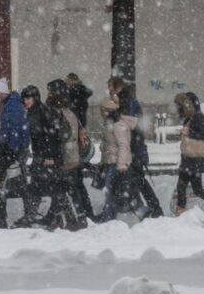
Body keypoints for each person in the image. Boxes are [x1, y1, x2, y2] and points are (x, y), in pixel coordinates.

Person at [18, 85, 75, 229]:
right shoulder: (33, 112)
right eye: (24, 99)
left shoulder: (42, 112)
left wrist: (52, 156)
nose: (26, 101)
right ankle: (61, 218)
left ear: (35, 98)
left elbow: (52, 136)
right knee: (42, 187)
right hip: (41, 156)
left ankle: (61, 219)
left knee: (53, 187)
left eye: (29, 98)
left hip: (49, 157)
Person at [107, 76, 163, 218]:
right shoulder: (126, 100)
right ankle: (149, 209)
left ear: (118, 87)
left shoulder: (127, 102)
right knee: (137, 181)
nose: (109, 90)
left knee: (138, 180)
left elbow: (129, 127)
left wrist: (134, 151)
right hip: (134, 147)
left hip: (134, 148)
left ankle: (152, 209)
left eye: (111, 87)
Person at [46, 79, 91, 227]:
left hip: (66, 156)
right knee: (67, 188)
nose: (49, 94)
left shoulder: (59, 113)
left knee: (65, 188)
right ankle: (67, 217)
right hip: (72, 154)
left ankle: (75, 217)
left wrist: (54, 154)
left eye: (51, 91)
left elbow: (61, 136)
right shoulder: (70, 111)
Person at [0, 77, 29, 228]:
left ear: (1, 93)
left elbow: (15, 131)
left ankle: (3, 219)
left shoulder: (13, 107)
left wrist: (10, 151)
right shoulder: (10, 104)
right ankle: (24, 213)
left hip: (14, 150)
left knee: (0, 182)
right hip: (13, 149)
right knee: (19, 183)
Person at [96, 97, 133, 222]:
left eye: (103, 110)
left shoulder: (118, 125)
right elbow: (109, 143)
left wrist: (121, 164)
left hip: (115, 163)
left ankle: (108, 217)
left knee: (110, 191)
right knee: (110, 191)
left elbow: (124, 145)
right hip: (109, 161)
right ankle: (109, 216)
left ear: (109, 111)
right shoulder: (109, 123)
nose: (101, 112)